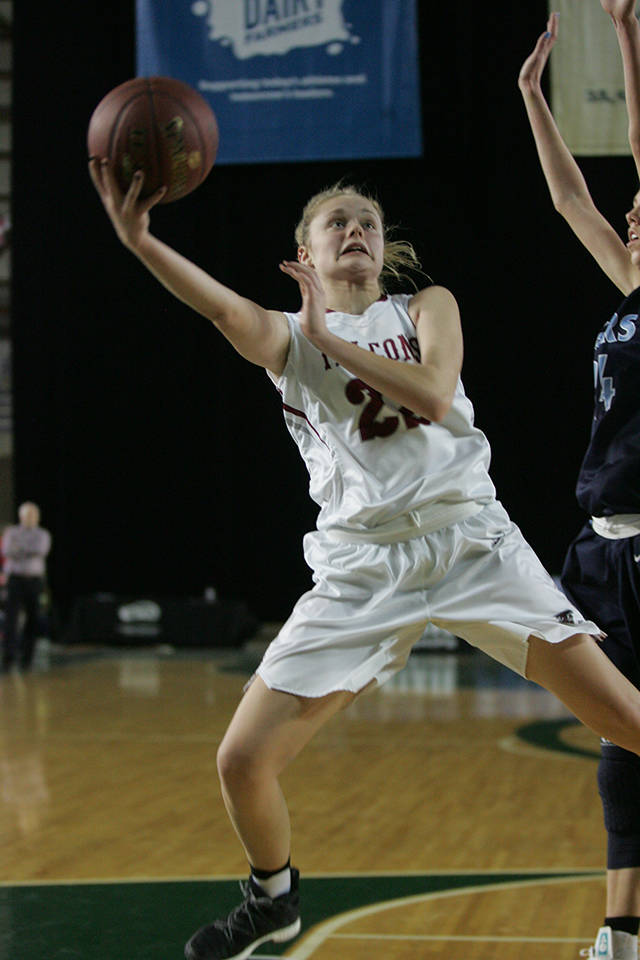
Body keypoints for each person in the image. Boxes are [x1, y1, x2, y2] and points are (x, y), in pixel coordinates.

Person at [90, 155, 640, 960]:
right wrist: (141, 242)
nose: (355, 230)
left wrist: (327, 341)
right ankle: (271, 901)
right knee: (242, 761)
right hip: (360, 570)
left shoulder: (426, 305)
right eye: (336, 223)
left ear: (383, 252)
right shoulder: (287, 335)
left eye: (369, 224)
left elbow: (437, 395)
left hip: (472, 545)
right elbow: (218, 307)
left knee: (627, 722)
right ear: (303, 256)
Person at [519, 4, 640, 959]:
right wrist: (532, 96)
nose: (632, 210)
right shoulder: (629, 292)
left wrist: (632, 41)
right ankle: (622, 931)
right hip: (602, 550)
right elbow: (571, 202)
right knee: (620, 740)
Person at [1, 501, 51, 671]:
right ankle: (9, 655)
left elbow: (40, 551)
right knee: (11, 618)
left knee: (33, 617)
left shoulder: (43, 534)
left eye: (34, 515)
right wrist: (27, 551)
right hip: (15, 579)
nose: (31, 518)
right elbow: (7, 551)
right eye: (27, 514)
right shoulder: (11, 532)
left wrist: (19, 549)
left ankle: (27, 656)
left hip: (34, 580)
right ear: (21, 516)